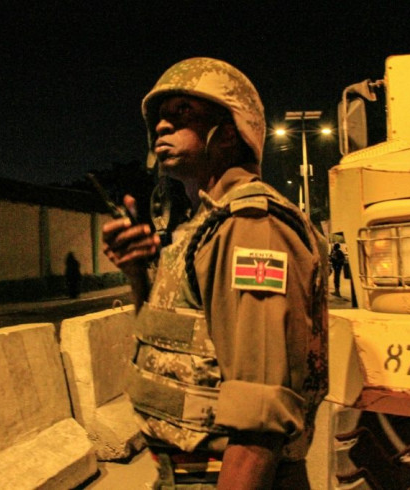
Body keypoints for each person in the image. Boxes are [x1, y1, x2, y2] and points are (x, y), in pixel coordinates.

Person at [102, 58, 328, 489]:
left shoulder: (251, 225)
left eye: (183, 112)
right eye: (160, 117)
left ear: (228, 132)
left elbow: (260, 417)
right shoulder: (205, 225)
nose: (162, 127)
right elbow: (185, 352)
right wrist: (136, 274)